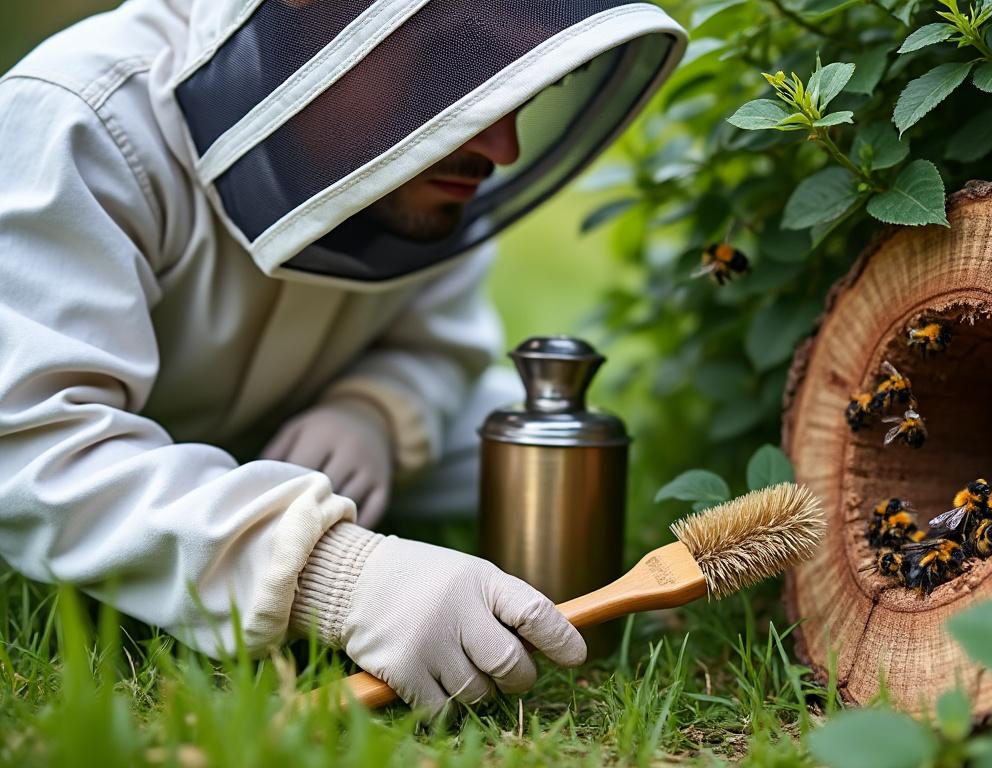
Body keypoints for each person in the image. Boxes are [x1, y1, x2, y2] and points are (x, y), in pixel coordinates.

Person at [0, 0, 686, 714]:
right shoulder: (81, 119)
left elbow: (439, 345)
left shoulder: (432, 180)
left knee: (509, 432)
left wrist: (378, 411)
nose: (502, 144)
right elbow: (30, 444)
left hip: (285, 423)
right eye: (459, 67)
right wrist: (340, 575)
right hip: (125, 441)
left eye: (519, 85)